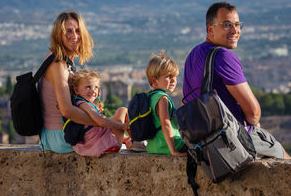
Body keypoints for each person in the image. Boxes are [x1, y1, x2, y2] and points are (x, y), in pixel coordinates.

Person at [183, 2, 291, 159]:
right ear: (210, 29)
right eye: (227, 25)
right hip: (231, 141)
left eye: (237, 24)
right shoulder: (223, 56)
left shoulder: (193, 54)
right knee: (289, 162)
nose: (235, 31)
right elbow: (254, 114)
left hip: (201, 143)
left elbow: (187, 102)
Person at [38, 10, 128, 154]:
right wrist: (101, 122)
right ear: (58, 35)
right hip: (61, 137)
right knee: (119, 121)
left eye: (78, 31)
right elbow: (67, 110)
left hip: (64, 133)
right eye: (68, 31)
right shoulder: (58, 64)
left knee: (116, 124)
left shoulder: (62, 61)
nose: (74, 36)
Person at [66, 69, 130, 157]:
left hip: (96, 145)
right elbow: (101, 122)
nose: (93, 91)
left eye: (96, 87)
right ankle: (136, 142)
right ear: (76, 90)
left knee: (116, 120)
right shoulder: (83, 104)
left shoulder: (84, 104)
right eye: (88, 87)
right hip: (105, 145)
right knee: (122, 110)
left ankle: (129, 140)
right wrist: (123, 126)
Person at [145, 51, 186, 157]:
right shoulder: (162, 98)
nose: (173, 80)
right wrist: (173, 151)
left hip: (153, 146)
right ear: (154, 80)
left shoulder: (150, 96)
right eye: (168, 76)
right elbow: (165, 124)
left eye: (175, 76)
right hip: (166, 146)